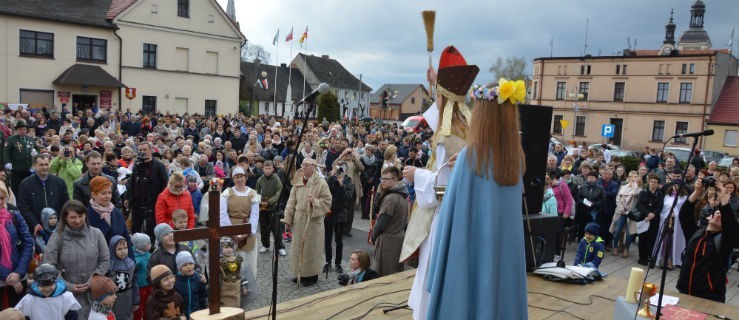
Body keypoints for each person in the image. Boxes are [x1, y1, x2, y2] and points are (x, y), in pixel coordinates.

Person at [425, 78, 527, 319]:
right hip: (503, 262)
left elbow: (450, 222)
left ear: (483, 117)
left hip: (469, 255)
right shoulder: (516, 160)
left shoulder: (469, 159)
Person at [401, 45, 479, 320]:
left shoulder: (447, 139)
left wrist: (416, 175)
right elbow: (436, 115)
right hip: (461, 220)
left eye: (437, 95)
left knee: (432, 272)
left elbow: (443, 188)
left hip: (442, 218)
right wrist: (436, 82)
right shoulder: (467, 127)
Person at [43, 200, 110, 319]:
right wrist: (67, 285)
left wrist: (93, 280)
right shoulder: (57, 238)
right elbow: (48, 267)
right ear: (65, 217)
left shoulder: (96, 234)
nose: (78, 220)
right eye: (73, 217)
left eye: (80, 216)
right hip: (67, 295)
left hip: (96, 293)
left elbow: (104, 260)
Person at [676, 179, 738, 302]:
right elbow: (684, 215)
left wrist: (723, 198)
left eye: (722, 216)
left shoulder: (724, 241)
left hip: (709, 296)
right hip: (684, 290)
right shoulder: (696, 233)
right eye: (717, 213)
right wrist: (697, 192)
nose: (718, 215)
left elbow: (731, 226)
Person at [281, 157, 332, 287]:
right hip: (299, 220)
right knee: (298, 248)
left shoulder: (320, 183)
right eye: (302, 165)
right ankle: (301, 273)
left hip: (313, 221)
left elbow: (327, 201)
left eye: (306, 165)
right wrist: (288, 219)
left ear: (313, 167)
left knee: (311, 249)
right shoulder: (298, 181)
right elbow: (291, 202)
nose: (303, 167)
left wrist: (314, 201)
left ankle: (312, 275)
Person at [219, 166, 260, 306]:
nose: (239, 179)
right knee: (232, 261)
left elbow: (255, 216)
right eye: (237, 177)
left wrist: (245, 232)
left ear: (245, 177)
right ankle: (233, 291)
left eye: (242, 176)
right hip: (231, 229)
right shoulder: (227, 193)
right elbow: (223, 214)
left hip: (247, 229)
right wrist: (233, 232)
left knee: (248, 261)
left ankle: (248, 290)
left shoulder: (252, 193)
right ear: (233, 179)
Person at [0, 183, 34, 309]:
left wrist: (18, 273)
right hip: (10, 279)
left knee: (18, 313)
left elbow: (28, 243)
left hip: (18, 276)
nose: (0, 202)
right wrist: (9, 277)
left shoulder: (15, 216)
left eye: (2, 198)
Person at [127, 141, 169, 243]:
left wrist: (161, 200)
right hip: (137, 203)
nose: (142, 152)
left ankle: (150, 250)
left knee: (151, 230)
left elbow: (165, 184)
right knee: (135, 229)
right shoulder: (137, 165)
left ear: (151, 150)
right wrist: (128, 198)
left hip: (152, 203)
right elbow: (132, 182)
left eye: (145, 149)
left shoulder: (159, 165)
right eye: (140, 150)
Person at [370, 166, 408, 276]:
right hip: (398, 241)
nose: (382, 182)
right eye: (382, 178)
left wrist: (373, 237)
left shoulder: (391, 198)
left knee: (383, 275)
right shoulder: (404, 196)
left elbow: (382, 222)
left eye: (386, 179)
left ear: (395, 180)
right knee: (395, 274)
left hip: (387, 243)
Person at [17, 154, 69, 233]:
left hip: (57, 226)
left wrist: (59, 221)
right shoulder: (25, 183)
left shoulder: (59, 182)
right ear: (34, 165)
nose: (44, 167)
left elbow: (66, 203)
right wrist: (35, 223)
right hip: (36, 228)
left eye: (46, 164)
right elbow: (23, 206)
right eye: (41, 165)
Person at [88, 176, 134, 259]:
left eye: (109, 193)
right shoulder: (86, 215)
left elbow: (126, 237)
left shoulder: (116, 212)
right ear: (93, 195)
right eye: (103, 193)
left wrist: (131, 260)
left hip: (119, 261)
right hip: (98, 263)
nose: (108, 196)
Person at [14, 263, 81, 320]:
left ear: (56, 281)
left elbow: (72, 317)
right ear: (36, 284)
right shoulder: (29, 299)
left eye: (50, 285)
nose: (46, 289)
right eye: (42, 286)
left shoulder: (66, 297)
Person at [656, 169, 689, 269]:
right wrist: (668, 214)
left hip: (676, 224)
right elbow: (663, 208)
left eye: (678, 186)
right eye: (674, 186)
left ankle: (671, 260)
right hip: (666, 222)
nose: (675, 188)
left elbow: (683, 211)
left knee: (673, 242)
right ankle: (663, 260)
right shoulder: (667, 196)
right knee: (665, 241)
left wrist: (676, 214)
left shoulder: (683, 198)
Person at [324, 163, 353, 274]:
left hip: (341, 214)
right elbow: (325, 192)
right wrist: (332, 176)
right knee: (327, 240)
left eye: (341, 170)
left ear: (345, 171)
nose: (339, 172)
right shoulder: (329, 179)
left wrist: (341, 185)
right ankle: (328, 262)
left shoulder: (348, 181)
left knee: (339, 241)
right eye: (336, 170)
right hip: (329, 214)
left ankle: (338, 263)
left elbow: (347, 198)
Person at [255, 160, 284, 256]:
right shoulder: (260, 180)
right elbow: (257, 192)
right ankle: (265, 245)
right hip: (262, 208)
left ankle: (280, 246)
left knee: (276, 229)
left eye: (269, 168)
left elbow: (278, 193)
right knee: (264, 228)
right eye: (266, 168)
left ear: (273, 169)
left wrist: (269, 202)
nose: (267, 170)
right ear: (263, 169)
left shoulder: (276, 179)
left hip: (273, 207)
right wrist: (260, 201)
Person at [636, 173, 665, 267]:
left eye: (655, 182)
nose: (653, 184)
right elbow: (639, 205)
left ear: (658, 184)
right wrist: (647, 213)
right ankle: (642, 258)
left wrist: (653, 214)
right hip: (644, 218)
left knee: (651, 238)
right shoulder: (643, 192)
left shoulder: (660, 194)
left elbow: (660, 207)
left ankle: (648, 255)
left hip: (654, 219)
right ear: (649, 182)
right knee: (642, 238)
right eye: (651, 181)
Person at [108, 235, 139, 319]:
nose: (123, 251)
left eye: (125, 248)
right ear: (112, 250)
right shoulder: (108, 266)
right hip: (114, 299)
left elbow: (134, 283)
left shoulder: (131, 264)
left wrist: (136, 301)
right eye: (119, 249)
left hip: (128, 298)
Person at [336, 147, 364, 237]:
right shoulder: (341, 162)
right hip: (341, 188)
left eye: (350, 153)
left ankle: (347, 229)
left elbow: (362, 168)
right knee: (340, 208)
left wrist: (354, 157)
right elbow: (333, 166)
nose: (348, 154)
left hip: (352, 189)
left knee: (350, 210)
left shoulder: (354, 162)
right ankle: (339, 227)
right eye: (347, 153)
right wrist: (342, 155)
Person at [4, 120, 36, 196]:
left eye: (24, 129)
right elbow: (6, 152)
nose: (22, 131)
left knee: (28, 187)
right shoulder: (11, 139)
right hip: (16, 168)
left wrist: (36, 152)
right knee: (16, 188)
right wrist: (7, 162)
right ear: (17, 130)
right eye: (20, 129)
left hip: (29, 168)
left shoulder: (30, 139)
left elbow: (36, 148)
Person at [174, 251, 207, 318]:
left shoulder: (199, 278)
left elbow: (202, 297)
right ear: (179, 267)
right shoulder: (175, 280)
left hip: (197, 314)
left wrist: (204, 312)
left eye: (191, 263)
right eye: (184, 265)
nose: (189, 266)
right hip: (182, 315)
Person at [131, 233, 152, 320]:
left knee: (149, 304)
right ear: (141, 246)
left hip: (149, 284)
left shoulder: (147, 253)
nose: (150, 244)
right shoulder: (136, 259)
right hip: (140, 286)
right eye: (148, 243)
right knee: (140, 305)